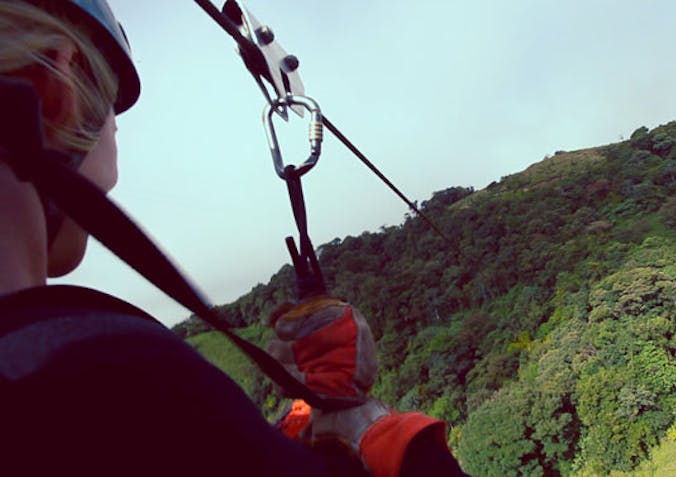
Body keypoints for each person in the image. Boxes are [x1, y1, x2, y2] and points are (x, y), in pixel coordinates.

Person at [0, 1, 468, 475]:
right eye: (113, 112)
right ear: (55, 92)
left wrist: (300, 437)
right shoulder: (108, 379)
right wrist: (397, 447)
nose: (116, 130)